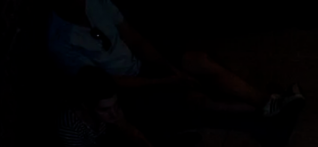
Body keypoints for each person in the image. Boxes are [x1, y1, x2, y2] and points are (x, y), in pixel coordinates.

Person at [46, 0, 304, 119]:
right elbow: (105, 84)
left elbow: (135, 40)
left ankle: (266, 102)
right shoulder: (60, 41)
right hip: (123, 88)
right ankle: (267, 110)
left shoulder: (95, 3)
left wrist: (170, 69)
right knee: (195, 100)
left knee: (199, 62)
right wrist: (166, 81)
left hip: (139, 61)